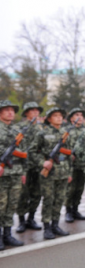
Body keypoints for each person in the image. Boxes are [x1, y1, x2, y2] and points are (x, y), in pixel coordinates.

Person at [31, 108, 72, 239]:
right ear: (49, 119)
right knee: (49, 199)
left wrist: (70, 172)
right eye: (55, 116)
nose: (59, 118)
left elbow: (69, 154)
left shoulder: (65, 133)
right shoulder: (42, 133)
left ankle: (55, 225)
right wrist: (42, 163)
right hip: (49, 172)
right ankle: (47, 227)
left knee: (59, 199)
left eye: (60, 116)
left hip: (63, 171)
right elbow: (32, 151)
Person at [0, 100, 26, 249]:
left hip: (15, 172)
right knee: (1, 205)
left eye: (12, 110)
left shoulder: (17, 131)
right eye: (6, 110)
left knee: (12, 205)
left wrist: (23, 172)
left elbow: (23, 154)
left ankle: (8, 235)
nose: (10, 112)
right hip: (2, 173)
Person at [15, 102, 44, 233]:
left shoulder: (41, 129)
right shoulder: (19, 127)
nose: (35, 113)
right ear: (26, 113)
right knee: (23, 194)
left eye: (36, 111)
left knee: (37, 193)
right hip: (24, 166)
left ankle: (31, 218)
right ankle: (21, 220)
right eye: (31, 111)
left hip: (37, 166)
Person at [65, 107, 85, 223]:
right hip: (72, 165)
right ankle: (68, 211)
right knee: (70, 189)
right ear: (71, 118)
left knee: (80, 188)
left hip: (83, 164)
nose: (80, 117)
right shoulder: (68, 132)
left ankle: (75, 209)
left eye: (81, 115)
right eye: (76, 115)